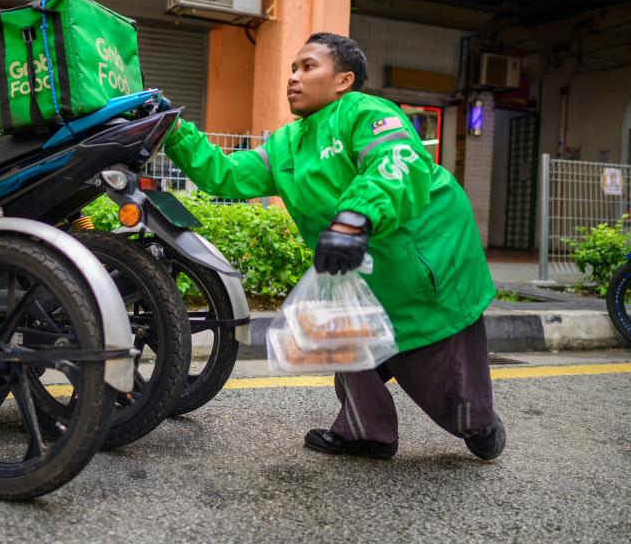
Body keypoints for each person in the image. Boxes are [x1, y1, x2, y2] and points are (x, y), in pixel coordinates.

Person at [162, 32, 505, 461]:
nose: (293, 77)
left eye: (308, 67)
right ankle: (368, 433)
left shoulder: (368, 112)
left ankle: (478, 421)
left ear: (343, 80)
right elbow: (227, 174)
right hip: (352, 260)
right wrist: (174, 130)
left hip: (424, 257)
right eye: (293, 68)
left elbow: (394, 161)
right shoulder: (288, 143)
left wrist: (355, 216)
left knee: (442, 362)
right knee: (348, 340)